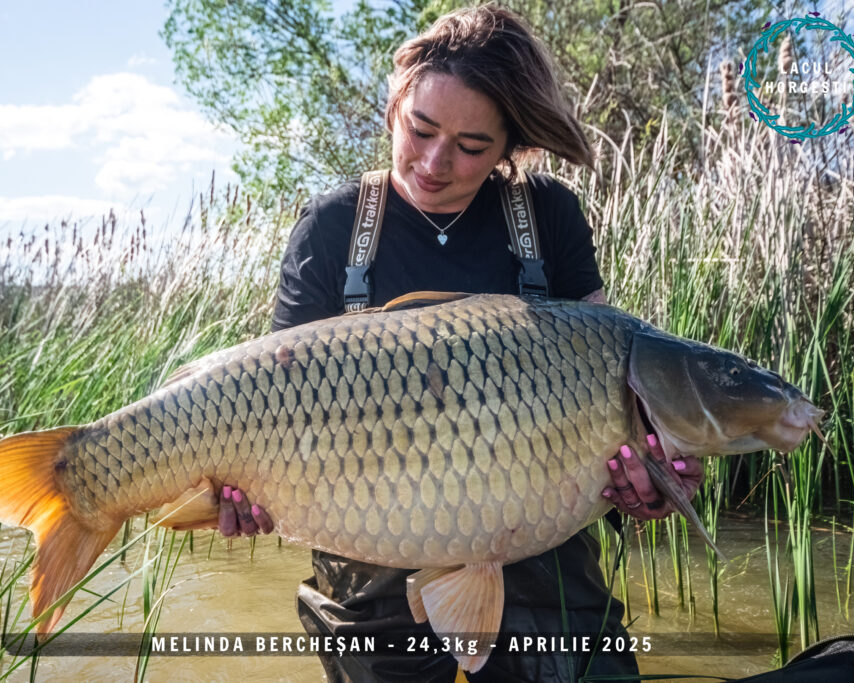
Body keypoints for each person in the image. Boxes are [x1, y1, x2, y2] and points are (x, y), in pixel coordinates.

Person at [219, 6, 703, 681]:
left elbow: (619, 373)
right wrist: (244, 491)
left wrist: (649, 480)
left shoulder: (548, 215)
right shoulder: (331, 229)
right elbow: (274, 407)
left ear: (508, 147)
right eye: (420, 129)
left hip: (539, 558)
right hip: (369, 568)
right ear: (393, 108)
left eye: (473, 146)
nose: (435, 162)